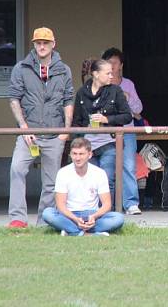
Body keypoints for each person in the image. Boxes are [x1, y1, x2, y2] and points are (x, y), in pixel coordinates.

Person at [7, 27, 74, 228]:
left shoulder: (64, 69)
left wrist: (66, 131)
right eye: (38, 43)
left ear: (54, 44)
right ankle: (18, 218)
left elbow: (68, 99)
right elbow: (14, 98)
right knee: (17, 169)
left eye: (45, 42)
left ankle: (45, 221)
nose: (42, 46)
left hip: (55, 133)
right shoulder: (21, 68)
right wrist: (23, 128)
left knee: (52, 181)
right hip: (29, 132)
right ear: (34, 45)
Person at [72, 59, 132, 210]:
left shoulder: (115, 91)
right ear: (96, 74)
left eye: (112, 72)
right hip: (88, 145)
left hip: (109, 143)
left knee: (106, 180)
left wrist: (107, 119)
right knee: (88, 181)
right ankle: (89, 215)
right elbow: (77, 121)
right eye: (108, 73)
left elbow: (127, 116)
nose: (112, 76)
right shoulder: (81, 93)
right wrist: (76, 144)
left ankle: (106, 215)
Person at [41, 137, 125, 236]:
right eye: (74, 154)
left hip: (92, 214)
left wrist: (94, 217)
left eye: (81, 154)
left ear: (89, 155)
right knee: (47, 214)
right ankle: (86, 233)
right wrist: (75, 219)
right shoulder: (63, 173)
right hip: (70, 215)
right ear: (70, 155)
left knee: (118, 218)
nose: (77, 158)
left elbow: (107, 204)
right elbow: (60, 205)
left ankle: (71, 231)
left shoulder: (99, 173)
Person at [102, 47, 143, 215]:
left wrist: (128, 97)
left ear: (121, 66)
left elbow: (139, 109)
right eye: (108, 63)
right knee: (107, 169)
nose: (112, 66)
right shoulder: (101, 84)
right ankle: (106, 206)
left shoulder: (128, 84)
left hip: (127, 131)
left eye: (115, 63)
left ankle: (131, 203)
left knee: (128, 166)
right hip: (106, 132)